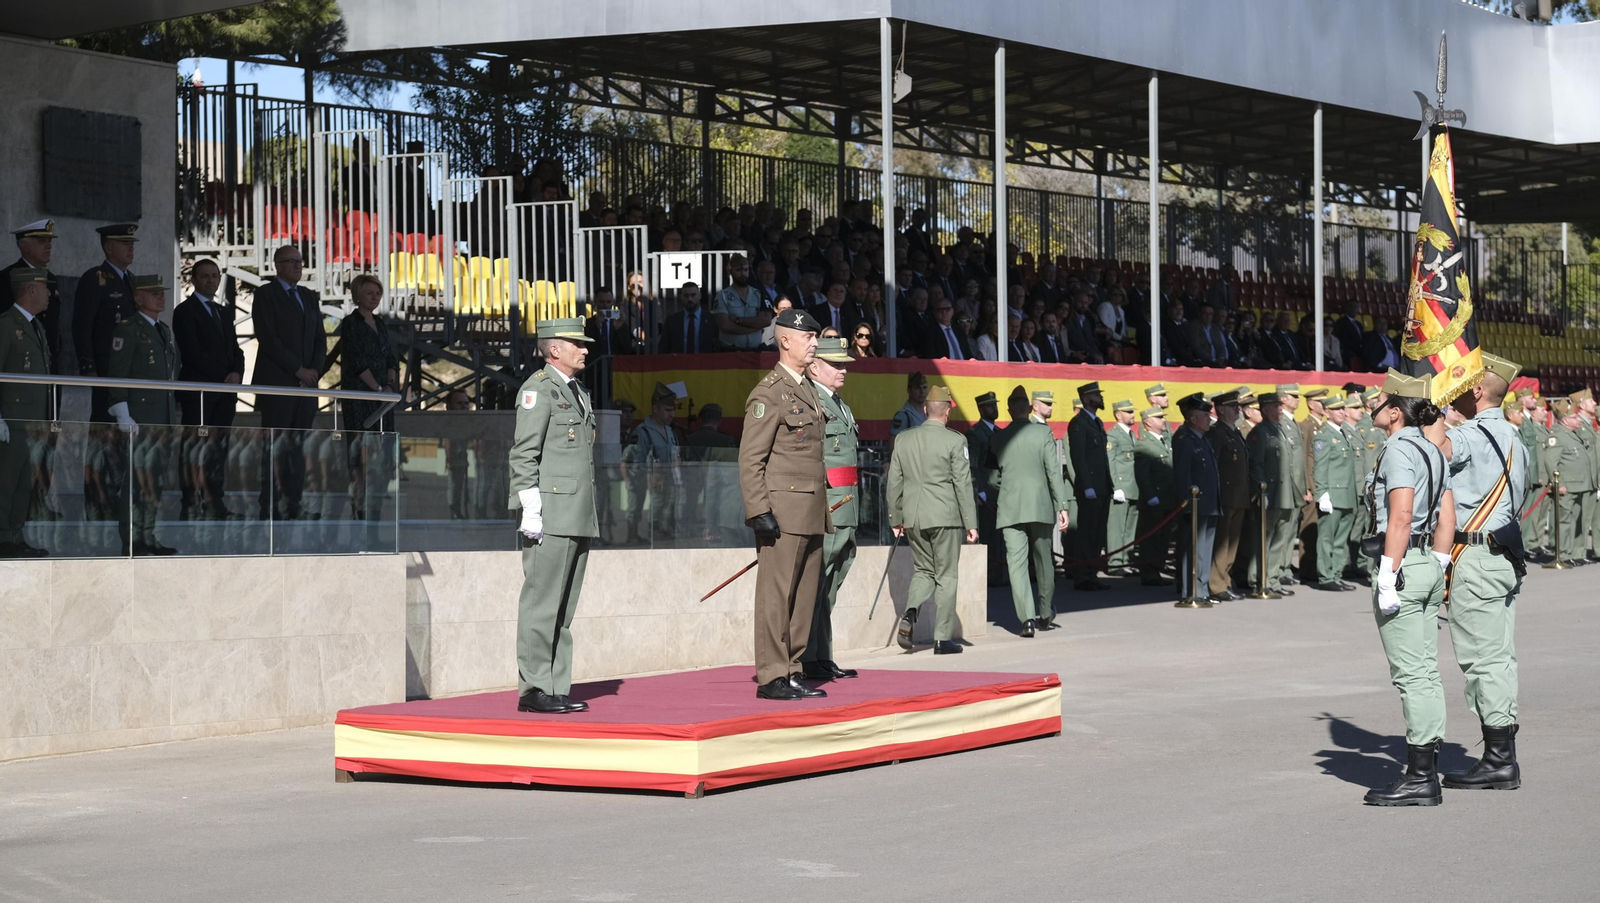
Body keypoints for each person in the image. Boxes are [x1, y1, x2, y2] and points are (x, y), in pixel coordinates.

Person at [1431, 353, 1526, 792]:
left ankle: (1499, 759)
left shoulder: (1471, 434)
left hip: (1475, 555)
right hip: (1502, 553)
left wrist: (1431, 414)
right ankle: (1501, 752)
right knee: (1500, 657)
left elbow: (1436, 454)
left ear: (1476, 391)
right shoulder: (1513, 435)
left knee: (1482, 661)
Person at [1360, 370, 1455, 807]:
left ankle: (1420, 777)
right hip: (1427, 562)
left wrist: (1387, 574)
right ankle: (1427, 766)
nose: (1371, 407)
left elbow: (1400, 516)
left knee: (1411, 674)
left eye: (1378, 402)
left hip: (1401, 562)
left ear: (1395, 412)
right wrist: (1438, 564)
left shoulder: (1399, 448)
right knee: (1426, 671)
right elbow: (1447, 516)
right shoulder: (1433, 447)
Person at [738, 307, 831, 701]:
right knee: (776, 597)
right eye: (808, 337)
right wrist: (759, 510)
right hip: (782, 512)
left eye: (815, 336)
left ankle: (792, 668)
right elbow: (751, 458)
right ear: (786, 340)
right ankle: (772, 675)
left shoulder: (807, 389)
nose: (814, 343)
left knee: (803, 597)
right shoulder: (769, 392)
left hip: (811, 509)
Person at [511, 317, 599, 714]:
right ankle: (534, 688)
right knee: (542, 603)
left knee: (563, 608)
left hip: (576, 511)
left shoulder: (577, 391)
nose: (585, 349)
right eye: (577, 344)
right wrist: (530, 507)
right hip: (550, 513)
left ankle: (556, 686)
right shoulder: (538, 389)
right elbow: (523, 454)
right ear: (554, 349)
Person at [888, 385, 978, 654]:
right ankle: (942, 638)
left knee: (924, 571)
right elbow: (963, 483)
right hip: (945, 516)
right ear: (948, 411)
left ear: (926, 409)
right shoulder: (955, 440)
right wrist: (971, 523)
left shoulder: (903, 439)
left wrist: (895, 517)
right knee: (946, 575)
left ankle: (910, 613)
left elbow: (894, 481)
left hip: (914, 517)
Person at [798, 337, 860, 680]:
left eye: (844, 364)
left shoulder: (838, 404)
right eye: (836, 364)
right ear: (814, 367)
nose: (843, 370)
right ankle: (808, 657)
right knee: (816, 584)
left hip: (846, 506)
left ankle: (822, 655)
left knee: (830, 585)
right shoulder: (811, 402)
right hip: (829, 507)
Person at [252, 245, 327, 519]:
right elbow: (268, 339)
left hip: (306, 387)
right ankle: (270, 506)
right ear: (278, 265)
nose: (298, 265)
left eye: (300, 261)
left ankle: (293, 504)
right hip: (278, 384)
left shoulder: (308, 296)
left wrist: (314, 371)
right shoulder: (266, 294)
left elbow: (320, 339)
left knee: (298, 448)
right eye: (291, 261)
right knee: (275, 448)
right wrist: (298, 370)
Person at [107, 275, 180, 556]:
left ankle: (148, 535)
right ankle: (131, 539)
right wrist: (122, 414)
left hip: (162, 418)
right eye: (153, 292)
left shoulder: (163, 329)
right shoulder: (128, 330)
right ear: (138, 298)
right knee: (137, 483)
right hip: (139, 419)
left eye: (162, 291)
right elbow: (117, 375)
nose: (161, 296)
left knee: (154, 482)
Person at [991, 390, 1071, 636]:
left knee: (1016, 565)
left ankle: (1026, 619)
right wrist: (1062, 505)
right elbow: (1053, 471)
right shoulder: (1043, 433)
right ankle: (1045, 612)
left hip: (1010, 507)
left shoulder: (998, 437)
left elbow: (992, 478)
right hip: (1039, 505)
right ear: (1028, 409)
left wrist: (1009, 488)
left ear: (1009, 411)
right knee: (1044, 560)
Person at [0, 268, 54, 558]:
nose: (49, 294)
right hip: (12, 422)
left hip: (34, 423)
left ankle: (14, 536)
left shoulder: (36, 326)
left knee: (24, 485)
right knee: (5, 483)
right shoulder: (7, 325)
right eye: (45, 288)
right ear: (31, 290)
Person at [173, 258, 244, 428]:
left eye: (214, 276)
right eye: (204, 276)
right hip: (200, 392)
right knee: (196, 441)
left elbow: (234, 349)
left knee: (220, 441)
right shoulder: (185, 310)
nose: (211, 280)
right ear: (193, 280)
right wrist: (225, 378)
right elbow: (192, 353)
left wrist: (237, 372)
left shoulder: (223, 312)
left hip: (226, 395)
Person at [1246, 394, 1300, 596]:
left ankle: (1273, 580)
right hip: (1270, 494)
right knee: (1263, 540)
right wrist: (1261, 491)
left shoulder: (1280, 430)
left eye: (1280, 406)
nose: (1279, 410)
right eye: (1275, 407)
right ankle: (1258, 580)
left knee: (1279, 540)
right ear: (1264, 410)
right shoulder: (1260, 433)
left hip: (1285, 494)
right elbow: (1255, 465)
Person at [1172, 393, 1220, 603]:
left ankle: (1202, 589)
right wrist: (1187, 504)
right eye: (1205, 415)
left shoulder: (1202, 438)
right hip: (1195, 504)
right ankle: (1191, 591)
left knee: (1205, 549)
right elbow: (1182, 474)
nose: (1209, 419)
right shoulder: (1185, 439)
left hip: (1209, 502)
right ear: (1193, 418)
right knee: (1193, 550)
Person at [622, 383, 681, 545]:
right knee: (638, 510)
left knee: (666, 509)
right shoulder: (643, 431)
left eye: (673, 410)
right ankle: (635, 534)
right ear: (655, 408)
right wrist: (644, 480)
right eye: (667, 410)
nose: (672, 414)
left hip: (667, 480)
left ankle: (660, 529)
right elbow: (636, 462)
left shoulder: (670, 431)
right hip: (647, 482)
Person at [1310, 395, 1359, 591]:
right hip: (1333, 494)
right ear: (1327, 412)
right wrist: (1322, 493)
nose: (1342, 412)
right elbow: (1320, 467)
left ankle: (1336, 573)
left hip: (1347, 494)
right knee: (1327, 538)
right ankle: (1326, 576)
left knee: (1340, 539)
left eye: (1342, 409)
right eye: (1337, 409)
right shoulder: (1323, 435)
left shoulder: (1342, 432)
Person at [0, 221, 63, 371]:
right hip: (20, 364)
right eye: (42, 241)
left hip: (47, 362)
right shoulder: (6, 278)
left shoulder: (51, 279)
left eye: (49, 241)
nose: (48, 246)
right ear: (24, 246)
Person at [1068, 382, 1113, 591]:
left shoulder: (1096, 422)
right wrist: (1087, 486)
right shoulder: (1078, 423)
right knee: (1086, 533)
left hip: (1102, 486)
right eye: (1096, 395)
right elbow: (1079, 457)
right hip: (1091, 488)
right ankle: (1082, 575)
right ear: (1086, 399)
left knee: (1097, 533)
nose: (1100, 397)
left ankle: (1091, 574)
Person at [1205, 391, 1249, 599]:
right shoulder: (1217, 434)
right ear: (1221, 410)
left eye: (1237, 406)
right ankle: (1217, 585)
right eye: (1233, 407)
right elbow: (1213, 467)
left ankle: (1225, 580)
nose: (1237, 410)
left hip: (1239, 495)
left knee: (1232, 544)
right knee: (1222, 544)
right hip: (1225, 495)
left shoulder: (1234, 432)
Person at [1545, 399, 1594, 566]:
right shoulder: (1557, 436)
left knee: (1576, 521)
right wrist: (1558, 484)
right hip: (1567, 486)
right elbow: (1551, 463)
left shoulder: (1572, 434)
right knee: (1564, 521)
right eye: (1575, 417)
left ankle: (1572, 553)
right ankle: (1563, 555)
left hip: (1580, 485)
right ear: (1565, 419)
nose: (1579, 420)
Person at [1134, 406, 1176, 587]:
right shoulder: (1144, 445)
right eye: (1159, 418)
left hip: (1168, 498)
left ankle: (1157, 569)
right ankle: (1149, 573)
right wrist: (1150, 495)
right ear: (1148, 422)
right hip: (1154, 500)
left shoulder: (1165, 441)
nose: (1163, 420)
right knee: (1151, 539)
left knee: (1163, 538)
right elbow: (1142, 475)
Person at [965, 391, 1002, 568]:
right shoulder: (975, 434)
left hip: (1001, 493)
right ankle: (989, 574)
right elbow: (972, 465)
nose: (994, 408)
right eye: (989, 406)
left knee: (1000, 538)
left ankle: (1000, 573)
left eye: (995, 405)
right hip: (986, 494)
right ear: (980, 409)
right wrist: (979, 491)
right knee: (988, 536)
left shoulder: (999, 432)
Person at [1106, 399, 1140, 577]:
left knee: (1129, 529)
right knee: (1117, 528)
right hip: (1121, 489)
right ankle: (1115, 562)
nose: (1132, 415)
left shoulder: (1131, 434)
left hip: (1133, 487)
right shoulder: (1113, 435)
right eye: (1128, 412)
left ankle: (1126, 560)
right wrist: (1116, 487)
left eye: (1132, 411)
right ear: (1118, 415)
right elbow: (1110, 463)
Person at [712, 255, 772, 351]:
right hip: (730, 352)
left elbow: (767, 321)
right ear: (730, 271)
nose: (743, 273)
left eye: (745, 270)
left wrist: (738, 320)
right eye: (738, 270)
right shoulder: (722, 296)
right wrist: (755, 327)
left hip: (755, 352)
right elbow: (725, 325)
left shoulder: (758, 294)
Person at [658, 282, 716, 354]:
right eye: (686, 296)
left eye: (693, 295)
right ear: (681, 297)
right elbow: (664, 349)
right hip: (679, 360)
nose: (689, 299)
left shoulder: (712, 320)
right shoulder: (671, 321)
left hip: (704, 360)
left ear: (700, 295)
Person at [889, 371, 929, 442]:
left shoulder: (928, 414)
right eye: (917, 388)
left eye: (924, 387)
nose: (922, 391)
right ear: (909, 391)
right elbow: (892, 443)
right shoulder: (903, 415)